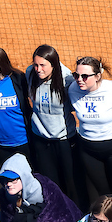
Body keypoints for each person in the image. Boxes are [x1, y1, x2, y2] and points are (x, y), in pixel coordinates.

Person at [70, 57, 112, 217]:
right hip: (88, 150)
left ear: (98, 76)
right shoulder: (73, 88)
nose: (80, 80)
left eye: (85, 76)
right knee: (104, 193)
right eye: (76, 75)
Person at [26, 45, 80, 206]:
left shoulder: (67, 80)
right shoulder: (30, 74)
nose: (38, 69)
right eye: (36, 65)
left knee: (71, 183)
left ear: (54, 65)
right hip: (41, 139)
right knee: (48, 182)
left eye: (43, 65)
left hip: (64, 140)